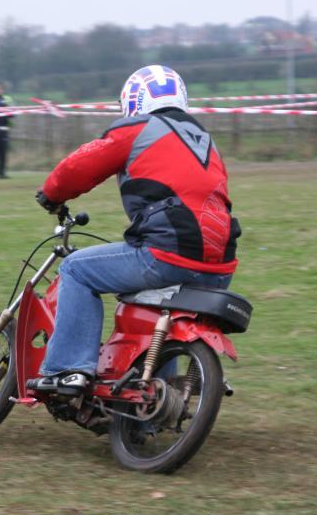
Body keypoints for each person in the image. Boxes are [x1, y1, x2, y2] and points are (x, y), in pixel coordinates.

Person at [28, 65, 242, 395]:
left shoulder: (139, 128)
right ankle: (151, 391)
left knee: (76, 269)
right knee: (157, 307)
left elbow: (80, 166)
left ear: (133, 98)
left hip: (166, 253)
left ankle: (69, 369)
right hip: (220, 265)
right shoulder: (203, 139)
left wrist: (52, 194)